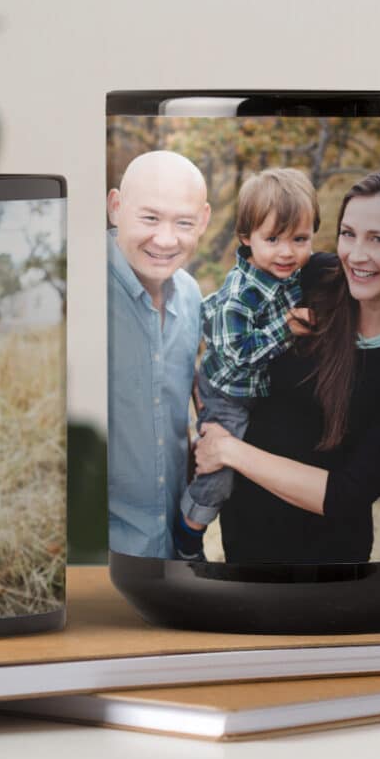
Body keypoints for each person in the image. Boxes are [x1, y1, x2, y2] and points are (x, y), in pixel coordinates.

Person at [196, 169, 380, 564]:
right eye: (348, 233)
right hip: (240, 542)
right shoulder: (315, 278)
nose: (356, 255)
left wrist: (229, 450)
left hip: (325, 564)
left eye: (379, 240)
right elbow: (230, 321)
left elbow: (345, 494)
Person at [173, 168, 320, 559]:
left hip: (257, 390)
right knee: (219, 475)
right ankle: (189, 532)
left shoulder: (289, 275)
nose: (287, 252)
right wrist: (287, 328)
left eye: (300, 239)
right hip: (227, 395)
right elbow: (239, 351)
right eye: (272, 239)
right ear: (246, 238)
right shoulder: (243, 291)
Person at [107, 149, 211, 558]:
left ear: (203, 220)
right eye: (149, 218)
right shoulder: (85, 287)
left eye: (183, 223)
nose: (166, 240)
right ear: (116, 207)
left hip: (174, 551)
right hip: (104, 558)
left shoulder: (192, 296)